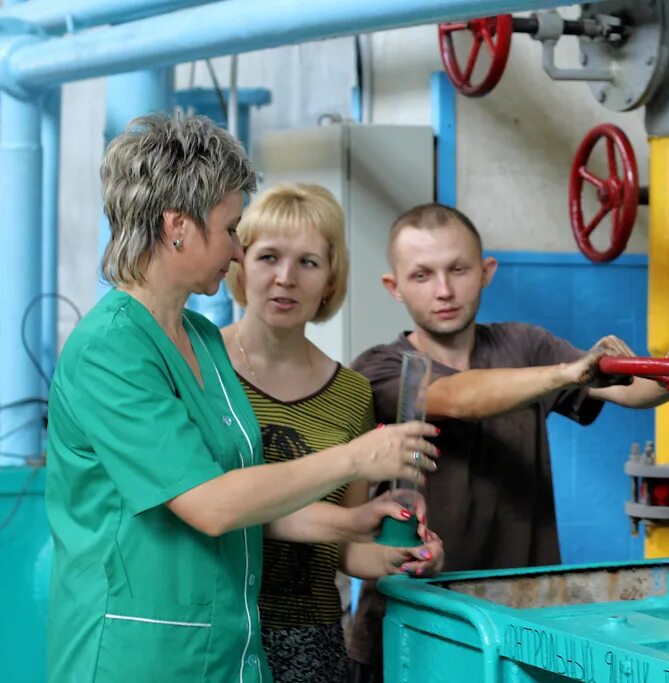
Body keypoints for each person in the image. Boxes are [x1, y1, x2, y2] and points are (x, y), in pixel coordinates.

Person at [45, 115, 439, 683]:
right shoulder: (110, 350)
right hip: (136, 652)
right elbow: (211, 505)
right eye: (231, 229)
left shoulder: (201, 340)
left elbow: (247, 501)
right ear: (177, 226)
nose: (236, 250)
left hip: (225, 647)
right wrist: (356, 458)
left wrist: (353, 520)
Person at [347, 203, 669, 680]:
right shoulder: (379, 368)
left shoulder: (525, 345)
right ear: (393, 287)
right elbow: (457, 398)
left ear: (486, 272)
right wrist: (567, 372)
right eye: (422, 275)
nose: (443, 290)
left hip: (518, 617)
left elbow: (630, 391)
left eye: (458, 269)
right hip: (411, 621)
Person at [223, 182, 444, 682]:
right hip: (218, 631)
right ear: (239, 263)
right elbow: (203, 507)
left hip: (313, 641)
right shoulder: (202, 370)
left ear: (329, 279)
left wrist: (401, 554)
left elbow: (345, 545)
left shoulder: (350, 394)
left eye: (307, 262)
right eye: (268, 257)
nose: (285, 278)